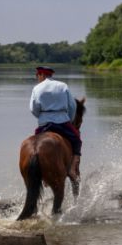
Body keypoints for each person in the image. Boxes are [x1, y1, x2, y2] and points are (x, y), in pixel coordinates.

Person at [30, 66, 82, 195]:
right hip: (62, 121)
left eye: (37, 76)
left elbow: (33, 108)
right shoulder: (62, 85)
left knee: (34, 145)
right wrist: (68, 119)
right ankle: (72, 168)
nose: (37, 78)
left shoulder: (37, 88)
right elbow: (72, 106)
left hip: (44, 123)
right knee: (77, 140)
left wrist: (42, 116)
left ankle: (43, 176)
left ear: (41, 74)